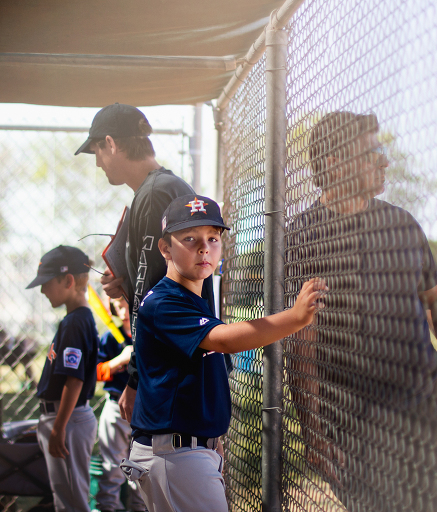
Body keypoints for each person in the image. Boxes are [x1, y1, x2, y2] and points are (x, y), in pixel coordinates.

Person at [285, 111, 437, 511]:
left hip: (420, 414)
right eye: (371, 152)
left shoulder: (402, 224)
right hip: (352, 423)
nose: (384, 160)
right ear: (335, 162)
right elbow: (301, 342)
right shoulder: (305, 236)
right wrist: (313, 433)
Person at [123, 194, 323, 512]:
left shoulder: (192, 298)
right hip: (176, 455)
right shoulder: (163, 302)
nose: (204, 248)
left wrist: (210, 442)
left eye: (213, 238)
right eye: (190, 239)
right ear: (165, 248)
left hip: (185, 452)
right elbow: (226, 341)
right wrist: (295, 318)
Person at [75, 103, 216, 421]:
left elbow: (157, 298)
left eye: (97, 151)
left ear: (111, 143)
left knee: (167, 450)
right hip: (181, 361)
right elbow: (163, 282)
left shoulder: (154, 194)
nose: (97, 162)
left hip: (169, 373)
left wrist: (137, 378)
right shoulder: (162, 188)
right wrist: (126, 282)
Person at [27, 245, 98, 512]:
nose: (42, 291)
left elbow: (74, 380)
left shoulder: (75, 323)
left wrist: (59, 427)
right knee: (66, 498)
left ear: (68, 281)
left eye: (47, 283)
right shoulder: (77, 319)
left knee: (72, 503)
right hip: (67, 418)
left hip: (67, 419)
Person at [95, 297, 145, 512]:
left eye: (128, 306)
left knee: (141, 468)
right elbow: (95, 373)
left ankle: (139, 508)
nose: (124, 312)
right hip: (115, 408)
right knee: (111, 467)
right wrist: (120, 360)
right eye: (119, 307)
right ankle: (107, 507)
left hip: (143, 412)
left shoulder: (147, 334)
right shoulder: (109, 338)